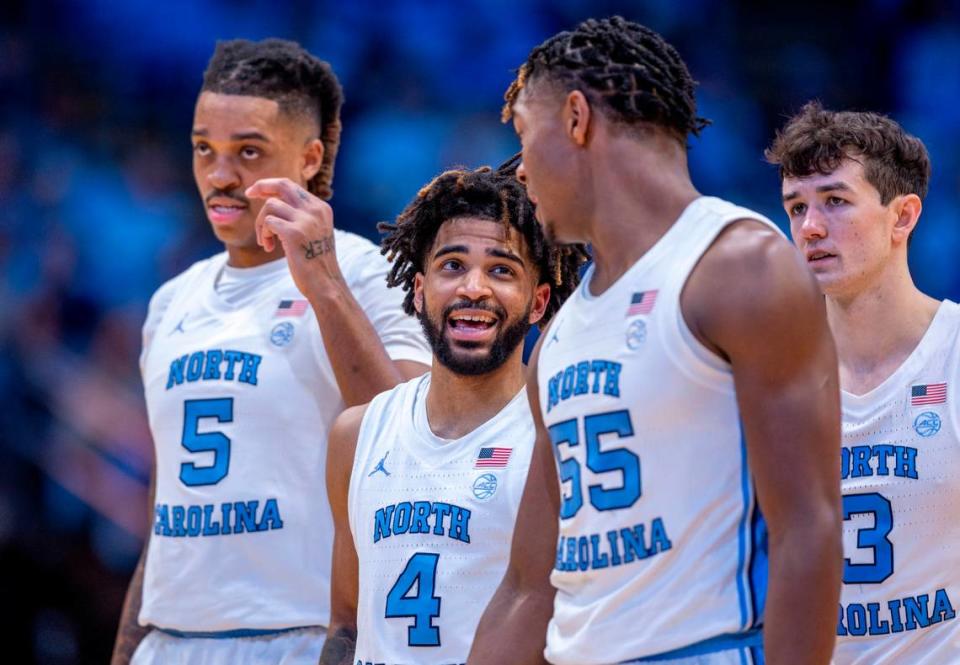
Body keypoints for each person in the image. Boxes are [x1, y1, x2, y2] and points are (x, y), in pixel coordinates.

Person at [469, 17, 842, 665]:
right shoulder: (557, 334)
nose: (519, 173)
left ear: (577, 118)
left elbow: (807, 529)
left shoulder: (740, 266)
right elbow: (529, 584)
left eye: (525, 136)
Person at [111, 39, 431, 665]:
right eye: (205, 149)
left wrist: (320, 279)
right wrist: (128, 647)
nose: (221, 176)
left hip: (302, 633)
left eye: (248, 152)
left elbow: (415, 442)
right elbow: (164, 506)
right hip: (171, 638)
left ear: (310, 158)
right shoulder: (170, 302)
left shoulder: (368, 272)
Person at [318, 164, 587, 665]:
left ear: (538, 301)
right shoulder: (356, 435)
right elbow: (347, 626)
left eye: (502, 270)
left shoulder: (558, 435)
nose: (474, 288)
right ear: (419, 291)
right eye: (452, 266)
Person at [767, 102, 960, 664]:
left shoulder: (952, 354)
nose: (810, 227)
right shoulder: (765, 374)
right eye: (796, 207)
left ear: (902, 217)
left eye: (835, 201)